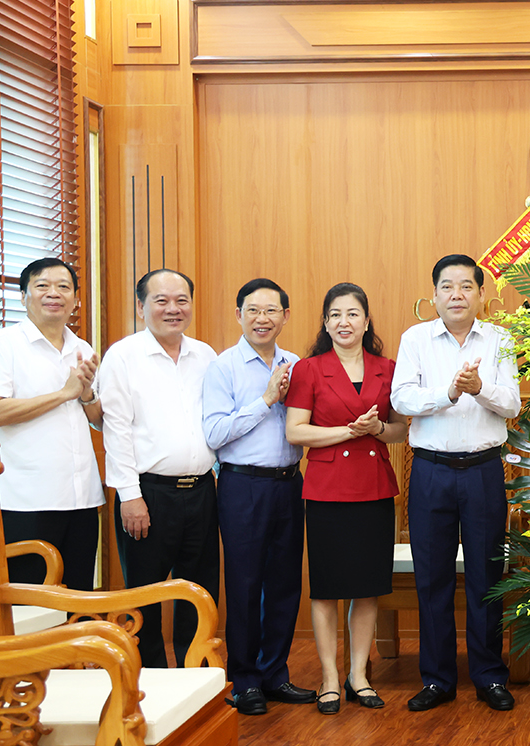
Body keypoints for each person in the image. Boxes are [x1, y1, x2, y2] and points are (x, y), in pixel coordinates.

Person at [392, 254, 521, 713]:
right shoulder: (416, 339)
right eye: (447, 287)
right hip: (431, 471)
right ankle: (437, 678)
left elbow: (511, 405)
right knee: (433, 578)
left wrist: (478, 387)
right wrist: (448, 392)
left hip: (485, 471)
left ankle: (488, 675)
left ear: (481, 295)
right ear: (434, 296)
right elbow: (401, 396)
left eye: (466, 286)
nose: (457, 295)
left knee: (486, 576)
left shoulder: (501, 339)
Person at [285, 282, 406, 715]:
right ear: (325, 322)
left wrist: (377, 431)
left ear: (366, 320)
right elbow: (295, 432)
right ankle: (329, 678)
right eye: (335, 314)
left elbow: (399, 430)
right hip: (326, 490)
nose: (344, 322)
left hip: (374, 488)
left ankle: (358, 675)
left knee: (367, 588)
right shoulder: (309, 370)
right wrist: (347, 432)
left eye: (353, 314)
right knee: (326, 589)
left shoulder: (387, 368)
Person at [202, 278, 316, 715]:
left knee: (286, 583)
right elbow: (214, 432)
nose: (262, 318)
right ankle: (245, 679)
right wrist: (267, 400)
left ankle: (275, 674)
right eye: (253, 310)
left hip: (290, 483)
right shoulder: (224, 367)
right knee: (246, 585)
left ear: (286, 317)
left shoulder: (298, 364)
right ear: (239, 316)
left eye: (271, 311)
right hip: (242, 485)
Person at [97, 269, 218, 668]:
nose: (173, 309)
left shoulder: (205, 355)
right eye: (161, 301)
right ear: (141, 306)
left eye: (181, 300)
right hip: (149, 495)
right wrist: (129, 497)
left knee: (200, 590)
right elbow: (115, 430)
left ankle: (195, 674)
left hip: (202, 490)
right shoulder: (123, 356)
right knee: (144, 594)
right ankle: (150, 679)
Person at [0, 257, 103, 590]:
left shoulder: (83, 348)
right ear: (24, 296)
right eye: (42, 285)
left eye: (63, 287)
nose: (53, 293)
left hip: (82, 499)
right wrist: (63, 394)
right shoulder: (2, 344)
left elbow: (96, 419)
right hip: (25, 502)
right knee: (30, 605)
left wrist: (85, 394)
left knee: (78, 600)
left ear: (74, 298)